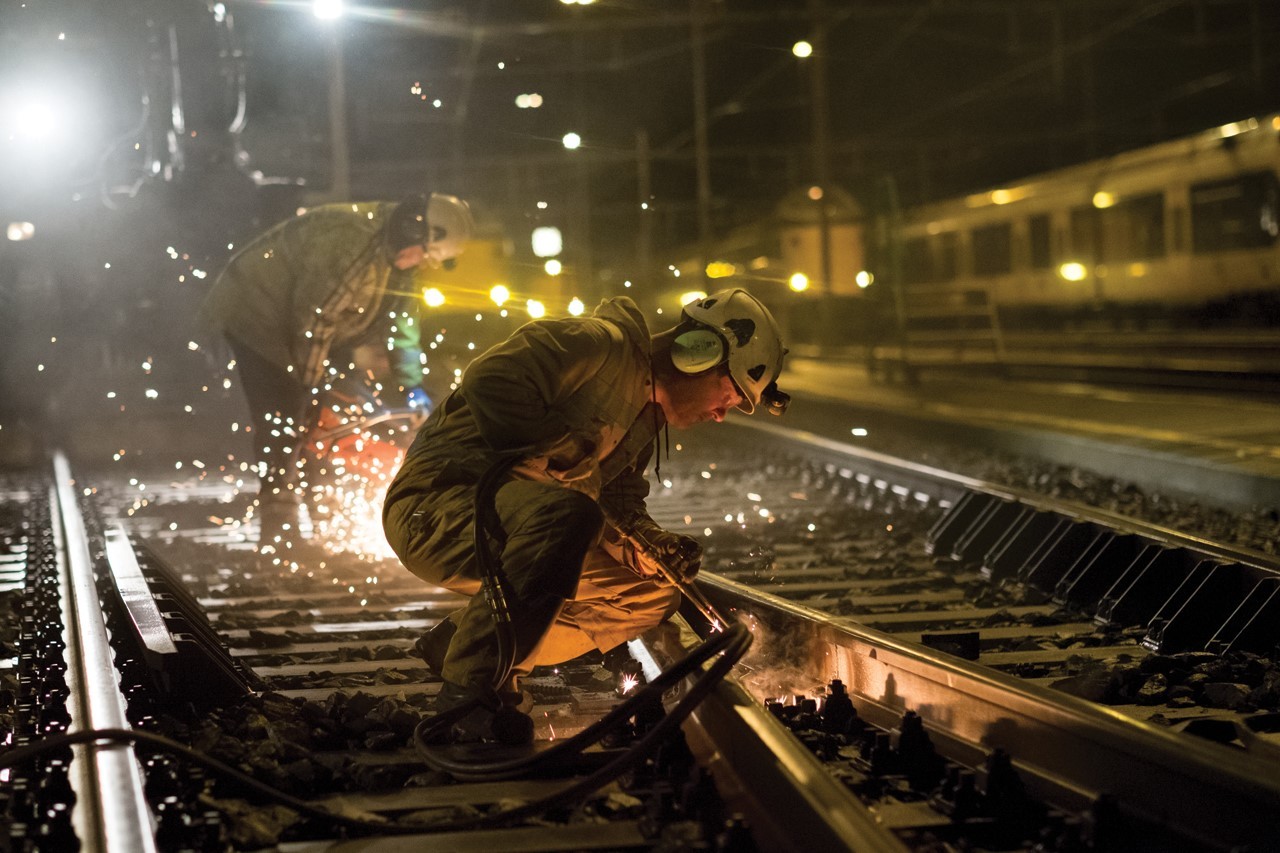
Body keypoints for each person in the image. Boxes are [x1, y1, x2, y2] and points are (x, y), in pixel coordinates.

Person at [382, 288, 789, 743]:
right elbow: (490, 379)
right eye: (730, 396)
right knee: (568, 515)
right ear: (698, 354)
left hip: (524, 524)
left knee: (651, 598)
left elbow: (615, 501)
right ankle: (469, 698)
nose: (720, 415)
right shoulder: (594, 344)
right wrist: (564, 452)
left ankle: (464, 642)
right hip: (439, 507)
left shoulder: (642, 416)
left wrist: (652, 546)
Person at [199, 193, 475, 547]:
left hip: (316, 324)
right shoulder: (350, 242)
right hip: (258, 315)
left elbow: (401, 329)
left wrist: (412, 387)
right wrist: (310, 389)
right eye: (423, 253)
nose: (421, 263)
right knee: (285, 419)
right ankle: (281, 530)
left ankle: (325, 517)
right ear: (411, 229)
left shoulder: (401, 263)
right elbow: (312, 323)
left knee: (336, 411)